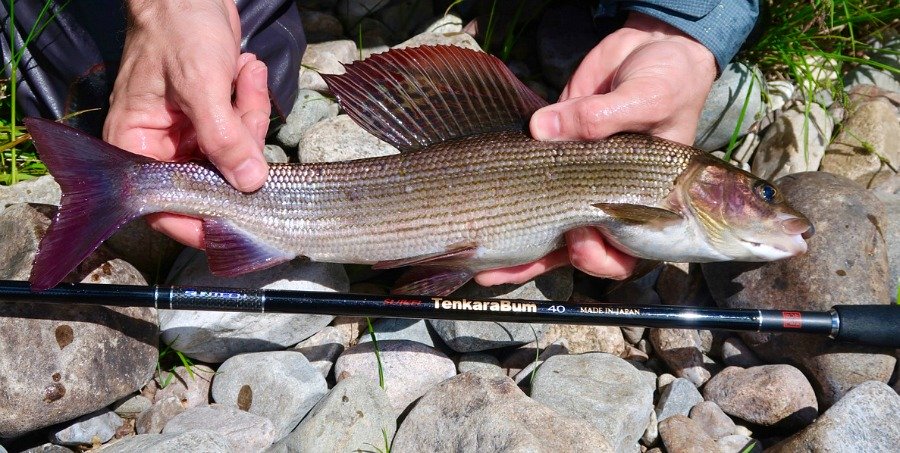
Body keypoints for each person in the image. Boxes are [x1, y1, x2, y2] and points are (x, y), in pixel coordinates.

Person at [3, 0, 758, 285]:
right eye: (760, 195)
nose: (771, 210)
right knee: (86, 77)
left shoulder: (672, 180)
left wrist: (681, 26)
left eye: (762, 194)